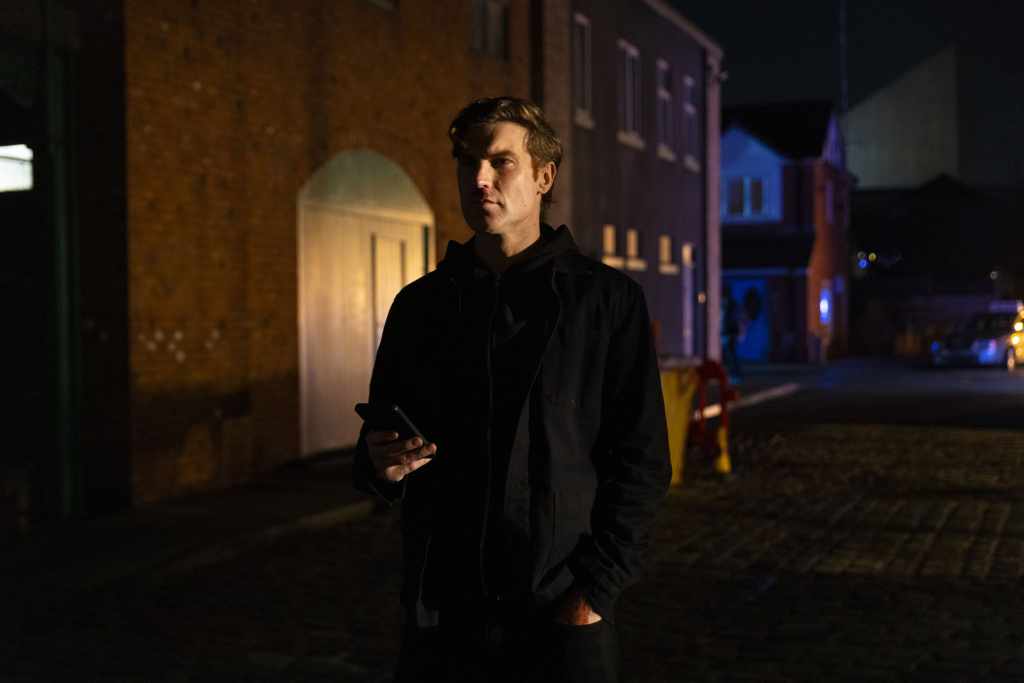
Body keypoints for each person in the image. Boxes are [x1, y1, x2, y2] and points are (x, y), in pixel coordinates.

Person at [354, 97, 671, 683]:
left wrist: (593, 594)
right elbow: (378, 442)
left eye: (500, 162)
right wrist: (382, 464)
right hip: (444, 618)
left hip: (558, 612)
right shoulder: (420, 306)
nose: (479, 178)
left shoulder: (606, 303)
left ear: (544, 177)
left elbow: (643, 462)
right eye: (467, 161)